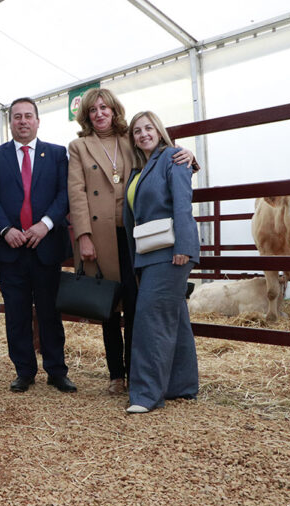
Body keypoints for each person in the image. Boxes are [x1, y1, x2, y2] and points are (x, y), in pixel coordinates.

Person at [67, 88, 194, 395]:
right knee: (108, 306)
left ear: (114, 110)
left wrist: (190, 156)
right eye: (93, 109)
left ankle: (138, 372)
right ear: (86, 115)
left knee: (138, 303)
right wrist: (84, 236)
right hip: (98, 238)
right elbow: (77, 193)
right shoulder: (78, 147)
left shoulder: (131, 139)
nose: (99, 113)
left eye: (104, 108)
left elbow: (161, 158)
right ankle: (116, 374)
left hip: (135, 236)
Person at [0, 97, 76, 394]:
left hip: (46, 247)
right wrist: (5, 230)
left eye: (28, 116)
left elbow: (65, 194)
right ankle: (24, 371)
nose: (22, 121)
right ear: (11, 122)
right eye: (17, 117)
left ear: (38, 120)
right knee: (16, 314)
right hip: (11, 249)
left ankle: (56, 370)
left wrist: (45, 224)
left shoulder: (57, 154)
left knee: (50, 311)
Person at [123, 110, 200, 414]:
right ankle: (181, 385)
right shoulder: (140, 169)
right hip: (150, 253)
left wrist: (182, 245)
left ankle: (146, 394)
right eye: (137, 131)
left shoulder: (173, 157)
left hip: (171, 252)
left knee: (149, 320)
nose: (143, 134)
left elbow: (183, 203)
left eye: (148, 128)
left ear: (159, 130)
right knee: (174, 318)